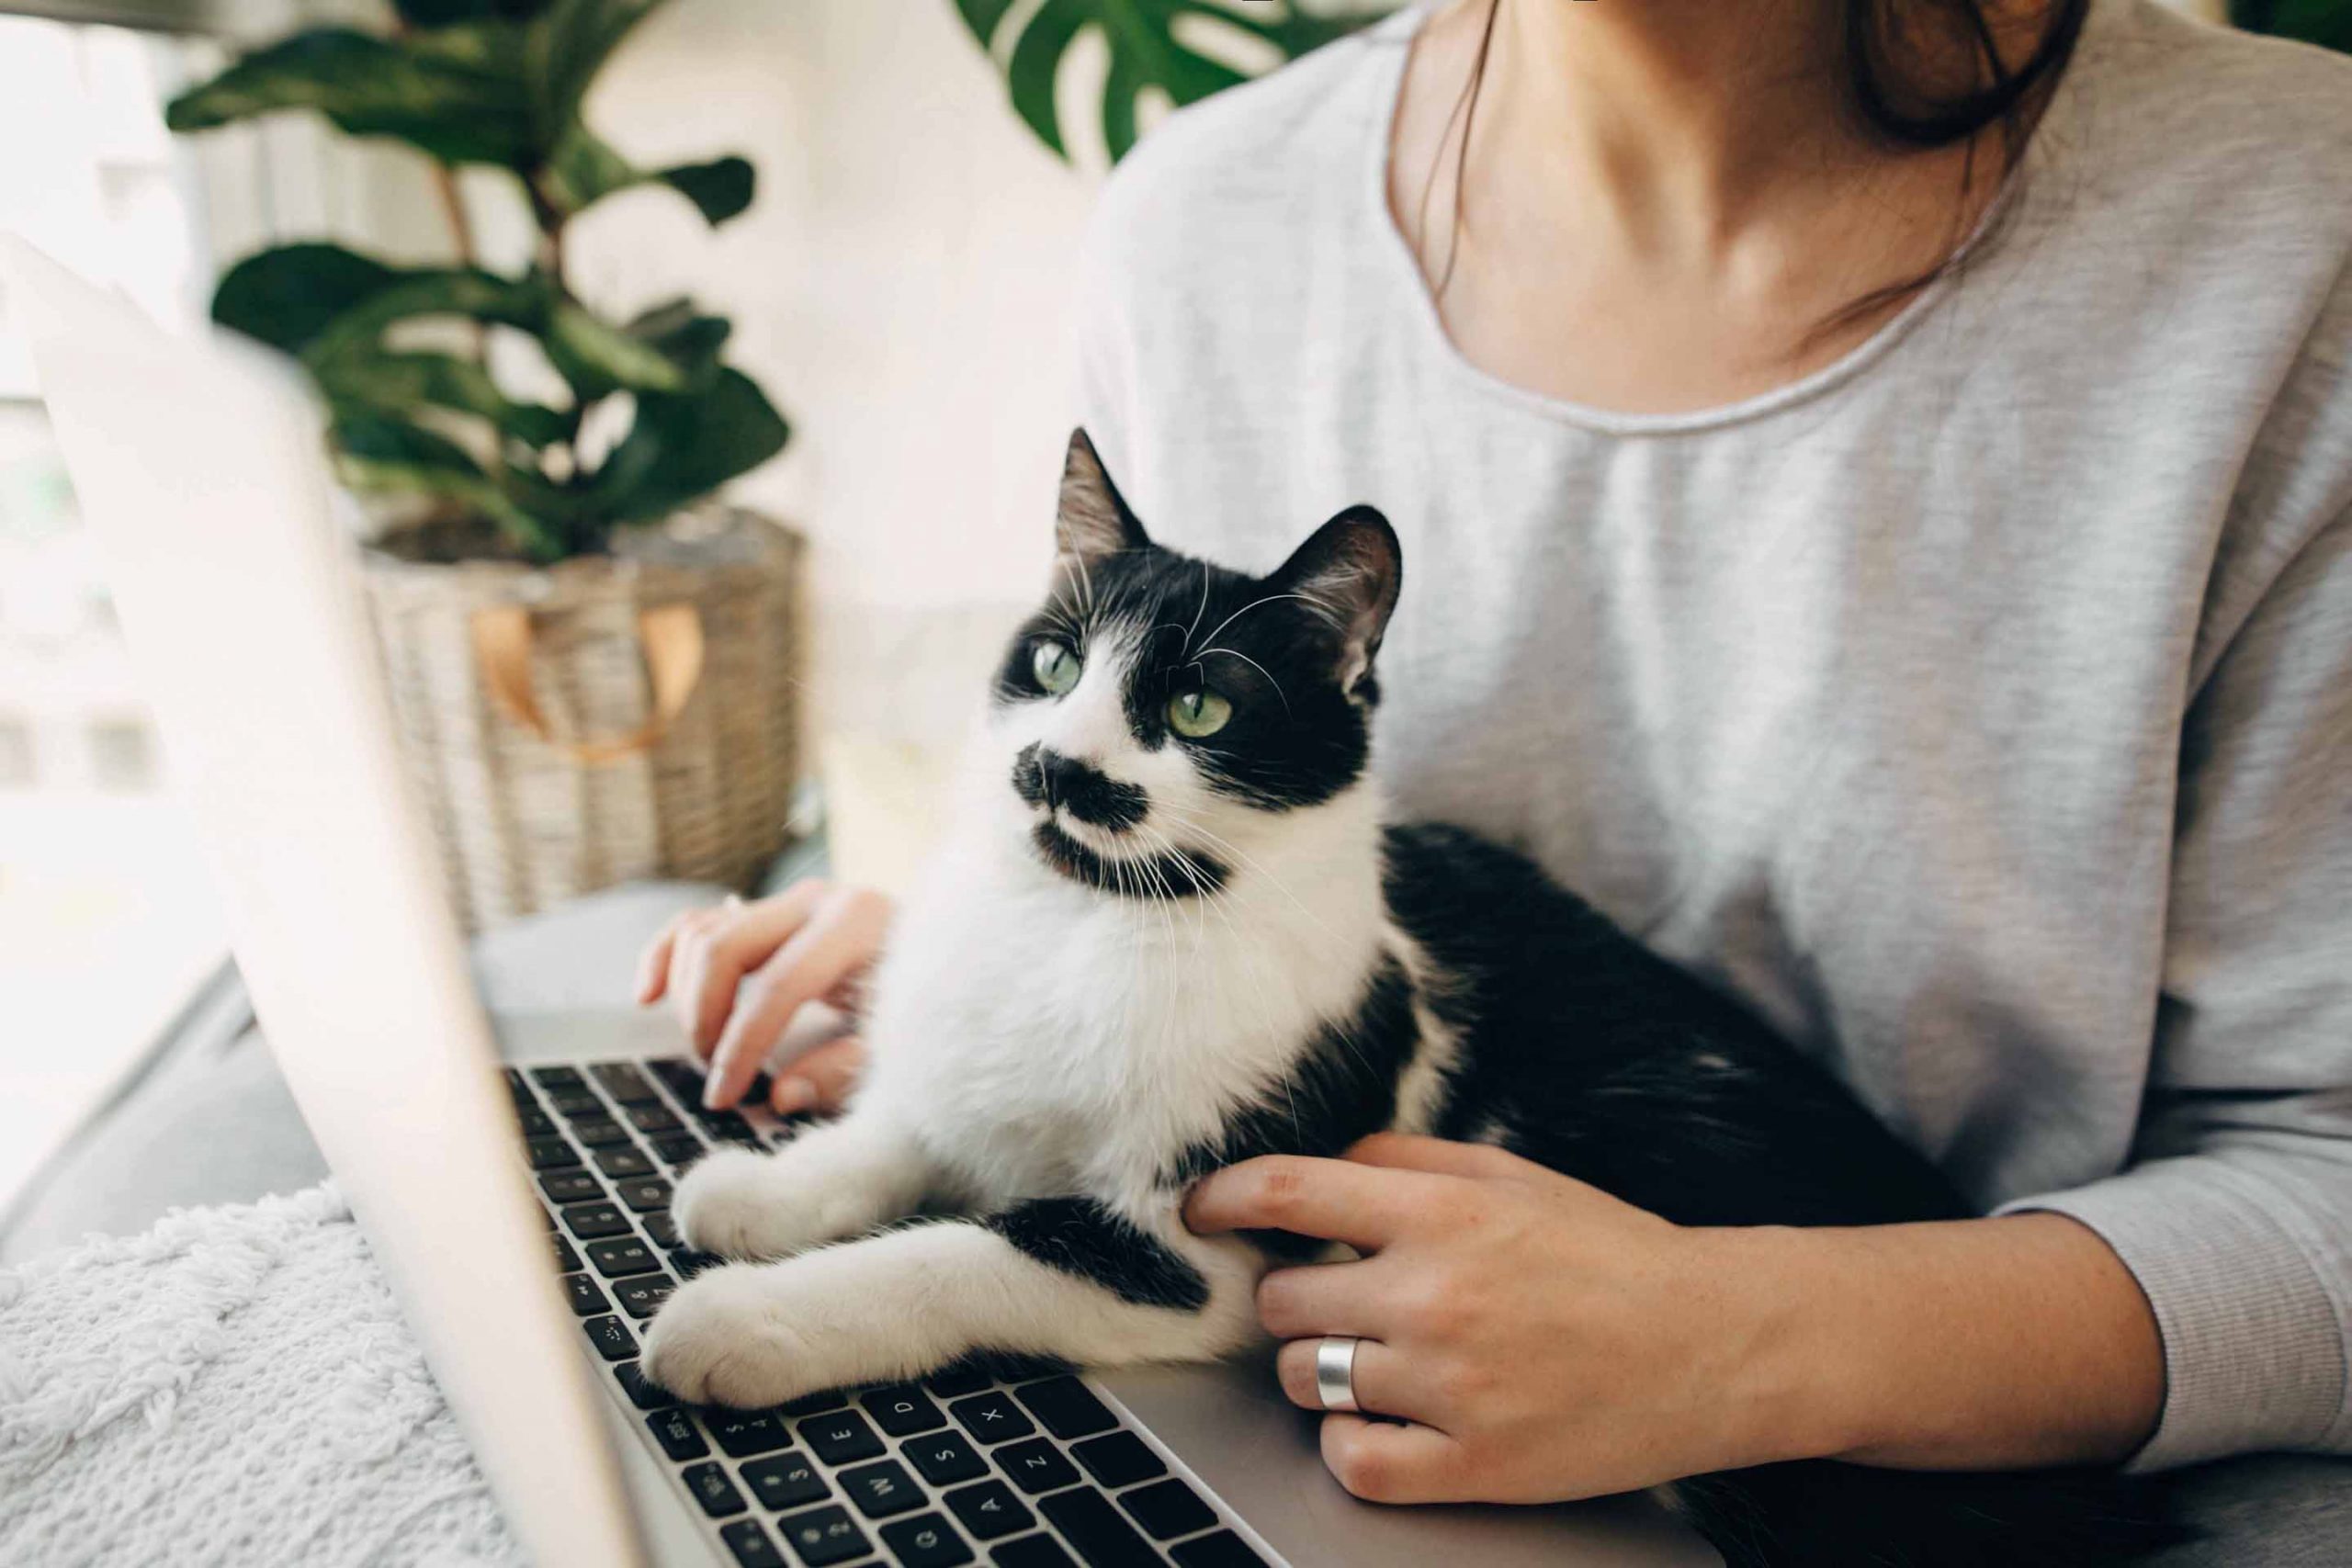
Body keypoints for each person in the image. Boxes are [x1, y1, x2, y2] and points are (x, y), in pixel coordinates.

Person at [639, 0, 2352, 1556]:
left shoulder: (2293, 229)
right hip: (1270, 1402)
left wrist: (1740, 1344)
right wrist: (1026, 957)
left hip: (1969, 1505)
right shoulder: (1203, 220)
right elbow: (1199, 811)